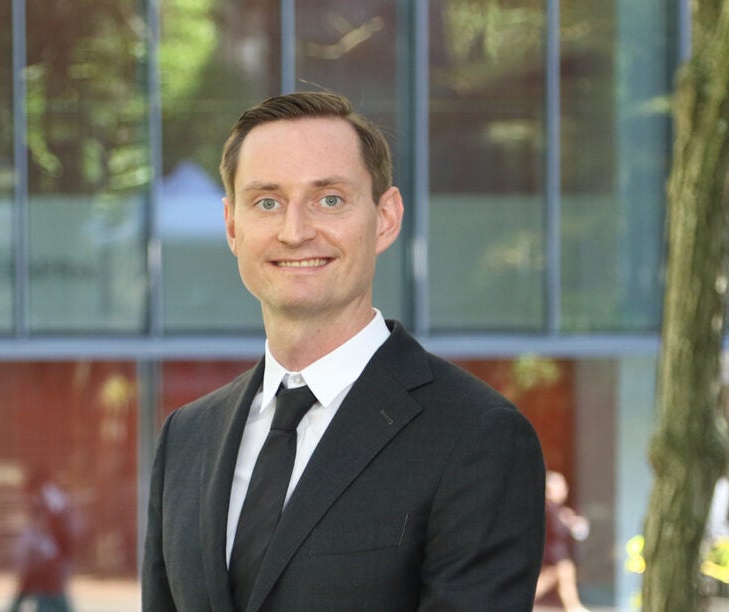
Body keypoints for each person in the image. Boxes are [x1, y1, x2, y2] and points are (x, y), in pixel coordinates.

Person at [142, 91, 545, 611]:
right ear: (232, 226)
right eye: (267, 202)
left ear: (385, 218)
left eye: (329, 199)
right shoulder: (186, 438)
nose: (295, 231)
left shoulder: (477, 436)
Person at [9, 470, 77, 612]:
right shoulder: (47, 496)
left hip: (50, 550)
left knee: (48, 585)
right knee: (37, 584)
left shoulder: (49, 496)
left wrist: (54, 549)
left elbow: (56, 521)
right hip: (47, 549)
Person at [535, 471, 589, 612]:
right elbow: (557, 530)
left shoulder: (557, 509)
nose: (563, 491)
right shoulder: (548, 508)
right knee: (562, 575)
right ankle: (574, 607)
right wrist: (568, 522)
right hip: (553, 554)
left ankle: (574, 607)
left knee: (558, 579)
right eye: (558, 487)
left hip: (557, 555)